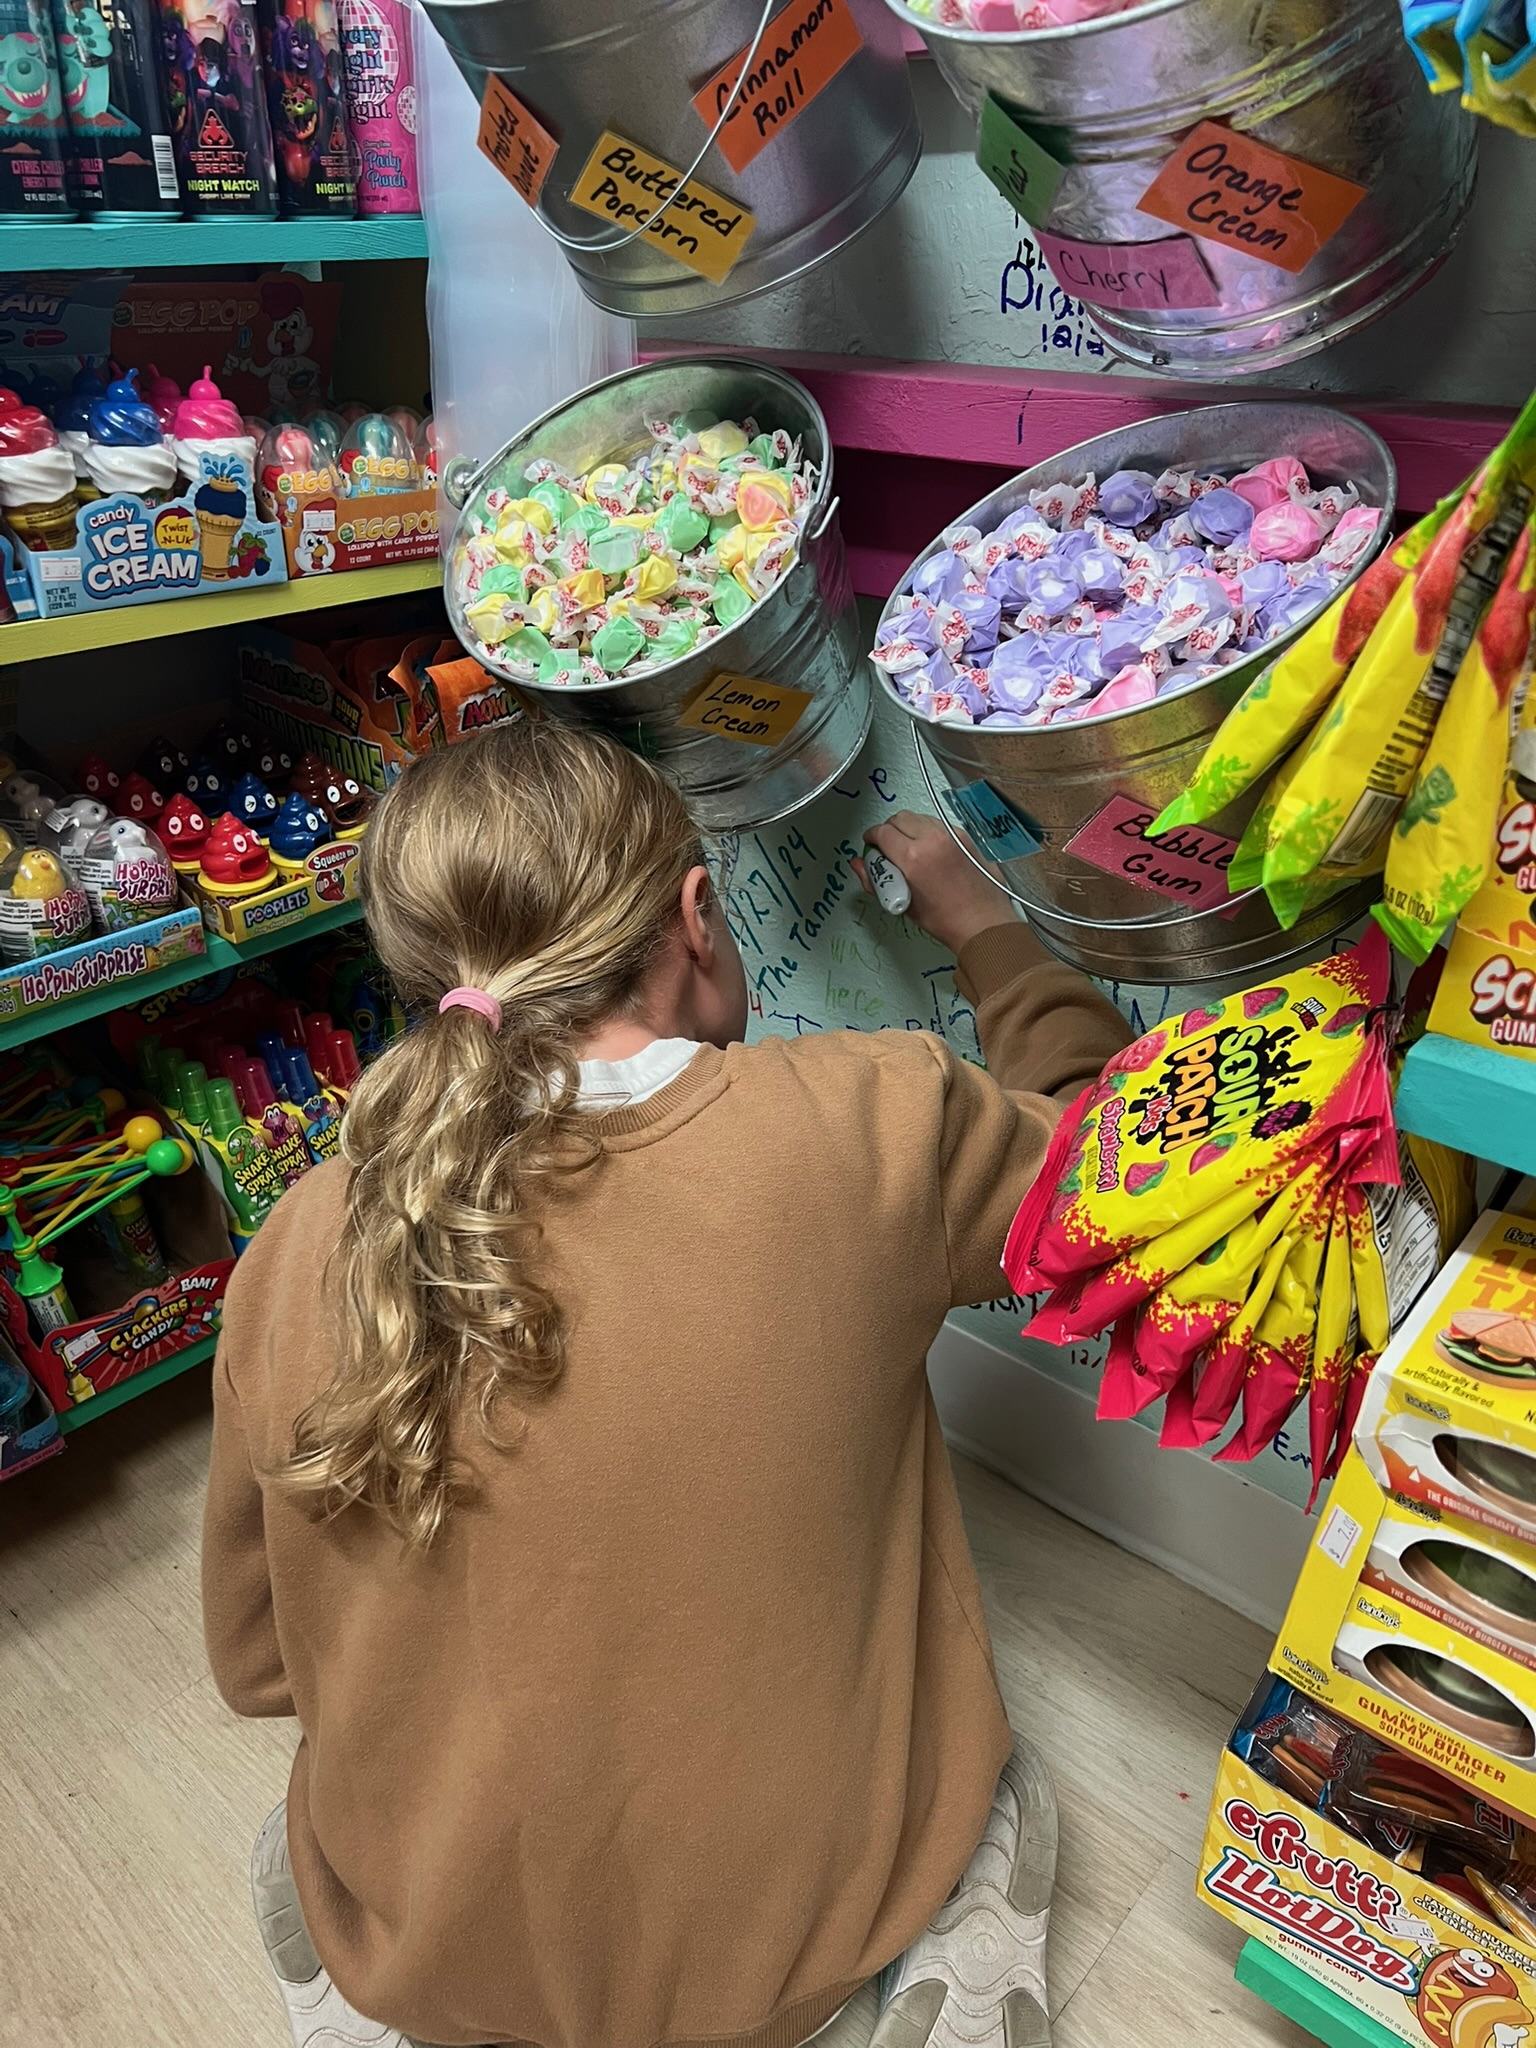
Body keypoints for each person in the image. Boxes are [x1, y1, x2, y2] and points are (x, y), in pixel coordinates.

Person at [203, 721, 1130, 2048]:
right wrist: (989, 930)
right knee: (1002, 1782)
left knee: (330, 1813)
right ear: (699, 918)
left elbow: (256, 1666)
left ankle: (387, 1985)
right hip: (780, 1966)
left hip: (434, 1955)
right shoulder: (868, 1121)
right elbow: (1121, 1165)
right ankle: (946, 1943)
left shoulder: (300, 1236)